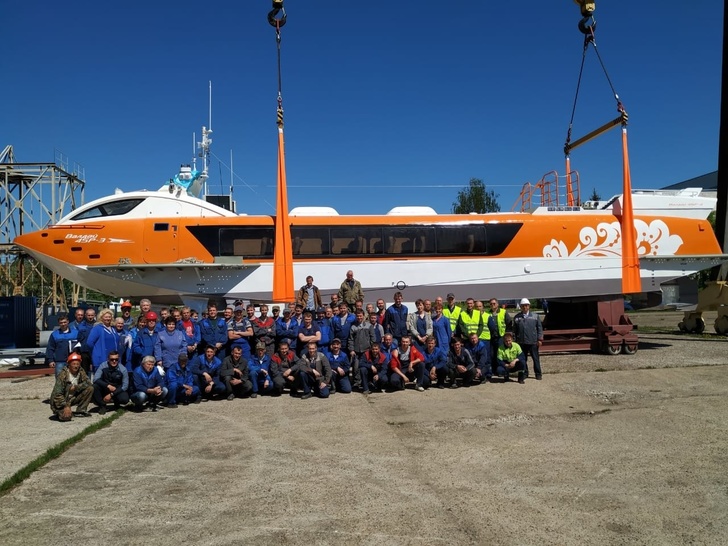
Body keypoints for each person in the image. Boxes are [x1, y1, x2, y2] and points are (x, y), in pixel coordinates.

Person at [50, 353, 94, 421]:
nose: (76, 366)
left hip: (72, 398)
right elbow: (57, 395)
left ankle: (81, 411)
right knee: (66, 417)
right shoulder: (62, 375)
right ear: (69, 364)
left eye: (78, 364)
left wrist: (76, 387)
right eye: (74, 364)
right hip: (60, 401)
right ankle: (59, 412)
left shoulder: (81, 371)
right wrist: (66, 406)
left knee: (90, 389)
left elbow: (88, 383)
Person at [513, 298, 543, 380]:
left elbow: (539, 329)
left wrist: (540, 339)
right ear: (521, 307)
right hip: (521, 342)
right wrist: (515, 341)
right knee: (523, 359)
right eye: (523, 306)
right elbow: (514, 330)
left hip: (533, 341)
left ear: (529, 306)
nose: (524, 307)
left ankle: (538, 374)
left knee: (536, 359)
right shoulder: (517, 317)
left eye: (526, 305)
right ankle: (525, 373)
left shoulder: (535, 316)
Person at [92, 350, 130, 414]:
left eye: (116, 359)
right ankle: (102, 406)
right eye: (112, 359)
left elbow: (125, 386)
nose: (114, 361)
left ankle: (117, 403)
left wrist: (112, 394)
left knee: (125, 399)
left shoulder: (123, 369)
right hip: (105, 387)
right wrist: (107, 385)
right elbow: (96, 379)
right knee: (94, 387)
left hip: (116, 389)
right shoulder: (103, 366)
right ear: (108, 359)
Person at [85, 309, 118, 373]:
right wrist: (96, 351)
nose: (108, 318)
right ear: (101, 318)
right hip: (101, 359)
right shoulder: (97, 328)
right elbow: (89, 343)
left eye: (109, 317)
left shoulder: (113, 329)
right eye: (106, 317)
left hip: (113, 359)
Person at [46, 313, 78, 378]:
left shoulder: (75, 333)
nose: (63, 324)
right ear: (58, 323)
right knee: (60, 380)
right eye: (61, 323)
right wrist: (50, 360)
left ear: (68, 322)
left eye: (64, 322)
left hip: (73, 361)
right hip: (60, 361)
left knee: (73, 379)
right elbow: (50, 348)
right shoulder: (54, 334)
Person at [347, 309, 374, 385]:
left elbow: (373, 338)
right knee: (356, 367)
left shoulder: (369, 326)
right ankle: (357, 382)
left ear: (363, 316)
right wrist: (351, 350)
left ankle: (368, 382)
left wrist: (371, 349)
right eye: (357, 316)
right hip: (356, 351)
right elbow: (350, 339)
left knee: (367, 367)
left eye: (360, 316)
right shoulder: (353, 327)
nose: (359, 317)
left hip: (366, 351)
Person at [487, 298, 513, 364]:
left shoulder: (503, 312)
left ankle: (501, 367)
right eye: (491, 304)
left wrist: (507, 334)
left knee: (500, 353)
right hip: (491, 337)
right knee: (492, 354)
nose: (492, 305)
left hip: (501, 336)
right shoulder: (487, 313)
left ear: (497, 304)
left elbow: (509, 323)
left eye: (494, 303)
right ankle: (494, 368)